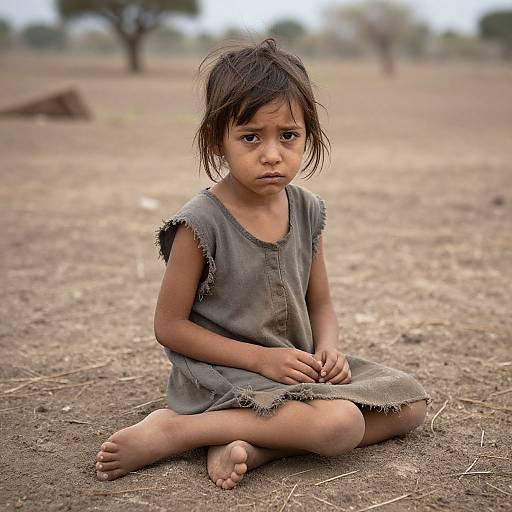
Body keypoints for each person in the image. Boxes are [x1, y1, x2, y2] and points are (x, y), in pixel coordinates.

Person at [95, 38, 429, 489]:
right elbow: (169, 327)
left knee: (408, 402)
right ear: (218, 141)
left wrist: (328, 349)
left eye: (287, 136)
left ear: (307, 134)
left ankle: (256, 446)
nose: (272, 154)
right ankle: (176, 429)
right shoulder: (200, 223)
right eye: (251, 137)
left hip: (295, 370)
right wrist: (262, 360)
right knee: (340, 426)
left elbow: (322, 304)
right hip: (226, 376)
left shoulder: (307, 209)